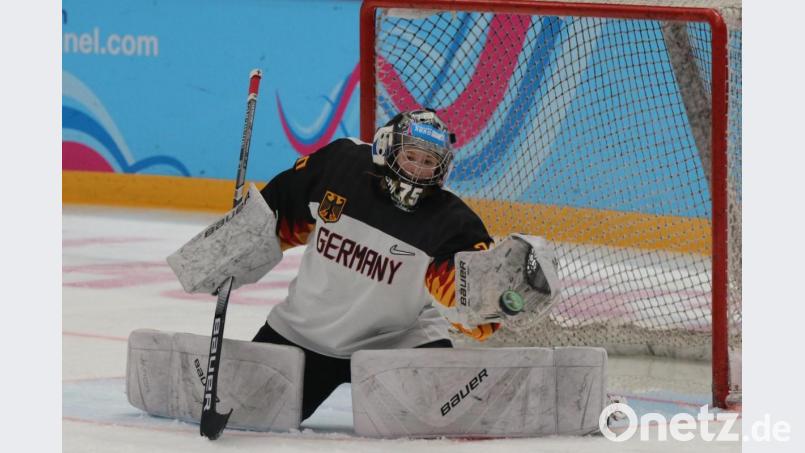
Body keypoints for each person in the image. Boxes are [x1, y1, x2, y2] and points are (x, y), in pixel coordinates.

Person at [251, 109, 502, 420]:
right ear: (386, 148)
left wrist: (496, 298)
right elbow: (275, 213)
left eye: (428, 162)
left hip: (398, 342)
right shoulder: (338, 167)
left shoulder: (453, 222)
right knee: (249, 414)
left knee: (440, 425)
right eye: (411, 156)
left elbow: (472, 309)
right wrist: (236, 242)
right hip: (304, 333)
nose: (417, 169)